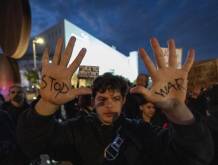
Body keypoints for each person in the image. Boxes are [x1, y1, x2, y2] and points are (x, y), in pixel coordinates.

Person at [17, 36, 213, 165]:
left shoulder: (140, 131)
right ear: (92, 101)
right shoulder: (75, 129)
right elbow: (31, 145)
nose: (109, 104)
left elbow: (196, 155)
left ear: (124, 100)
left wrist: (177, 109)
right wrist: (48, 104)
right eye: (102, 98)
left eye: (116, 98)